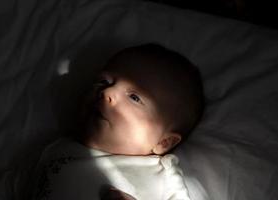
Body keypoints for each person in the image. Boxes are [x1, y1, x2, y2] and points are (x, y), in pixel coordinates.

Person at [31, 43, 204, 200]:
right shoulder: (54, 151)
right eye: (103, 82)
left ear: (164, 142)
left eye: (134, 97)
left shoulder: (162, 175)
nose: (106, 93)